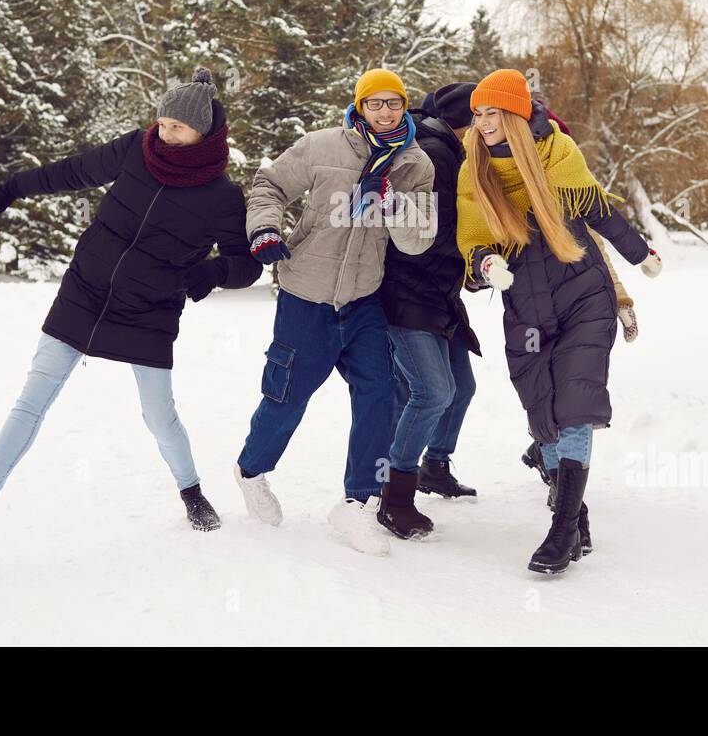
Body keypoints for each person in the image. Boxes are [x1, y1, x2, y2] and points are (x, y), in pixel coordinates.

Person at [0, 69, 260, 540]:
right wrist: (15, 187)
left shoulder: (222, 197)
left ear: (203, 131)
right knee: (32, 399)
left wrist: (212, 272)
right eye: (161, 123)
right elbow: (74, 170)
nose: (164, 133)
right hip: (84, 291)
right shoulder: (137, 150)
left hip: (149, 310)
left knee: (159, 416)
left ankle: (192, 491)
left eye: (176, 127)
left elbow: (247, 264)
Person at [456, 69, 662, 573]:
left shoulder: (559, 156)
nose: (483, 122)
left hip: (583, 295)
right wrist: (485, 265)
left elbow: (600, 211)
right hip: (524, 306)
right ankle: (576, 513)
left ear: (517, 115)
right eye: (478, 113)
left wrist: (641, 255)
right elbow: (472, 236)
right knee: (543, 409)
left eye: (493, 113)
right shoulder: (474, 171)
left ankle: (562, 527)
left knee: (575, 401)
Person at [235, 68, 436, 555]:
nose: (385, 112)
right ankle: (252, 471)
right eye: (375, 103)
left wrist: (392, 202)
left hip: (364, 297)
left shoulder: (415, 165)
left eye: (394, 103)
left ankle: (357, 504)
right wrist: (264, 230)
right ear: (359, 105)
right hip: (306, 293)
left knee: (377, 395)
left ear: (404, 107)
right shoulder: (322, 147)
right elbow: (269, 185)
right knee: (288, 394)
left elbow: (419, 239)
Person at [376, 82, 483, 540]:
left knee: (461, 388)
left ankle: (434, 466)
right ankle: (393, 497)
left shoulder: (454, 153)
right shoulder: (437, 155)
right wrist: (474, 253)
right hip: (407, 293)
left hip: (437, 295)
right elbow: (423, 235)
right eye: (482, 122)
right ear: (467, 124)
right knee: (433, 391)